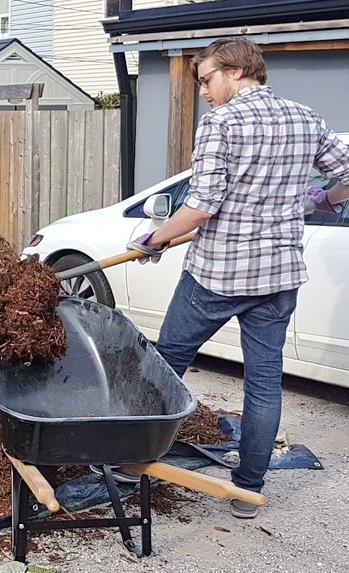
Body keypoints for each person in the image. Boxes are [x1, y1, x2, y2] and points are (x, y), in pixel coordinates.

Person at [126, 37, 349, 519]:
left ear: (236, 71)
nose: (203, 91)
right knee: (264, 382)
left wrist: (154, 239)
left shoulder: (222, 123)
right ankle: (248, 488)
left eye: (206, 79)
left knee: (166, 363)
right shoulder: (305, 118)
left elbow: (202, 206)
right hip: (278, 276)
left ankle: (131, 459)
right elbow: (346, 169)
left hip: (218, 277)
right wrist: (327, 200)